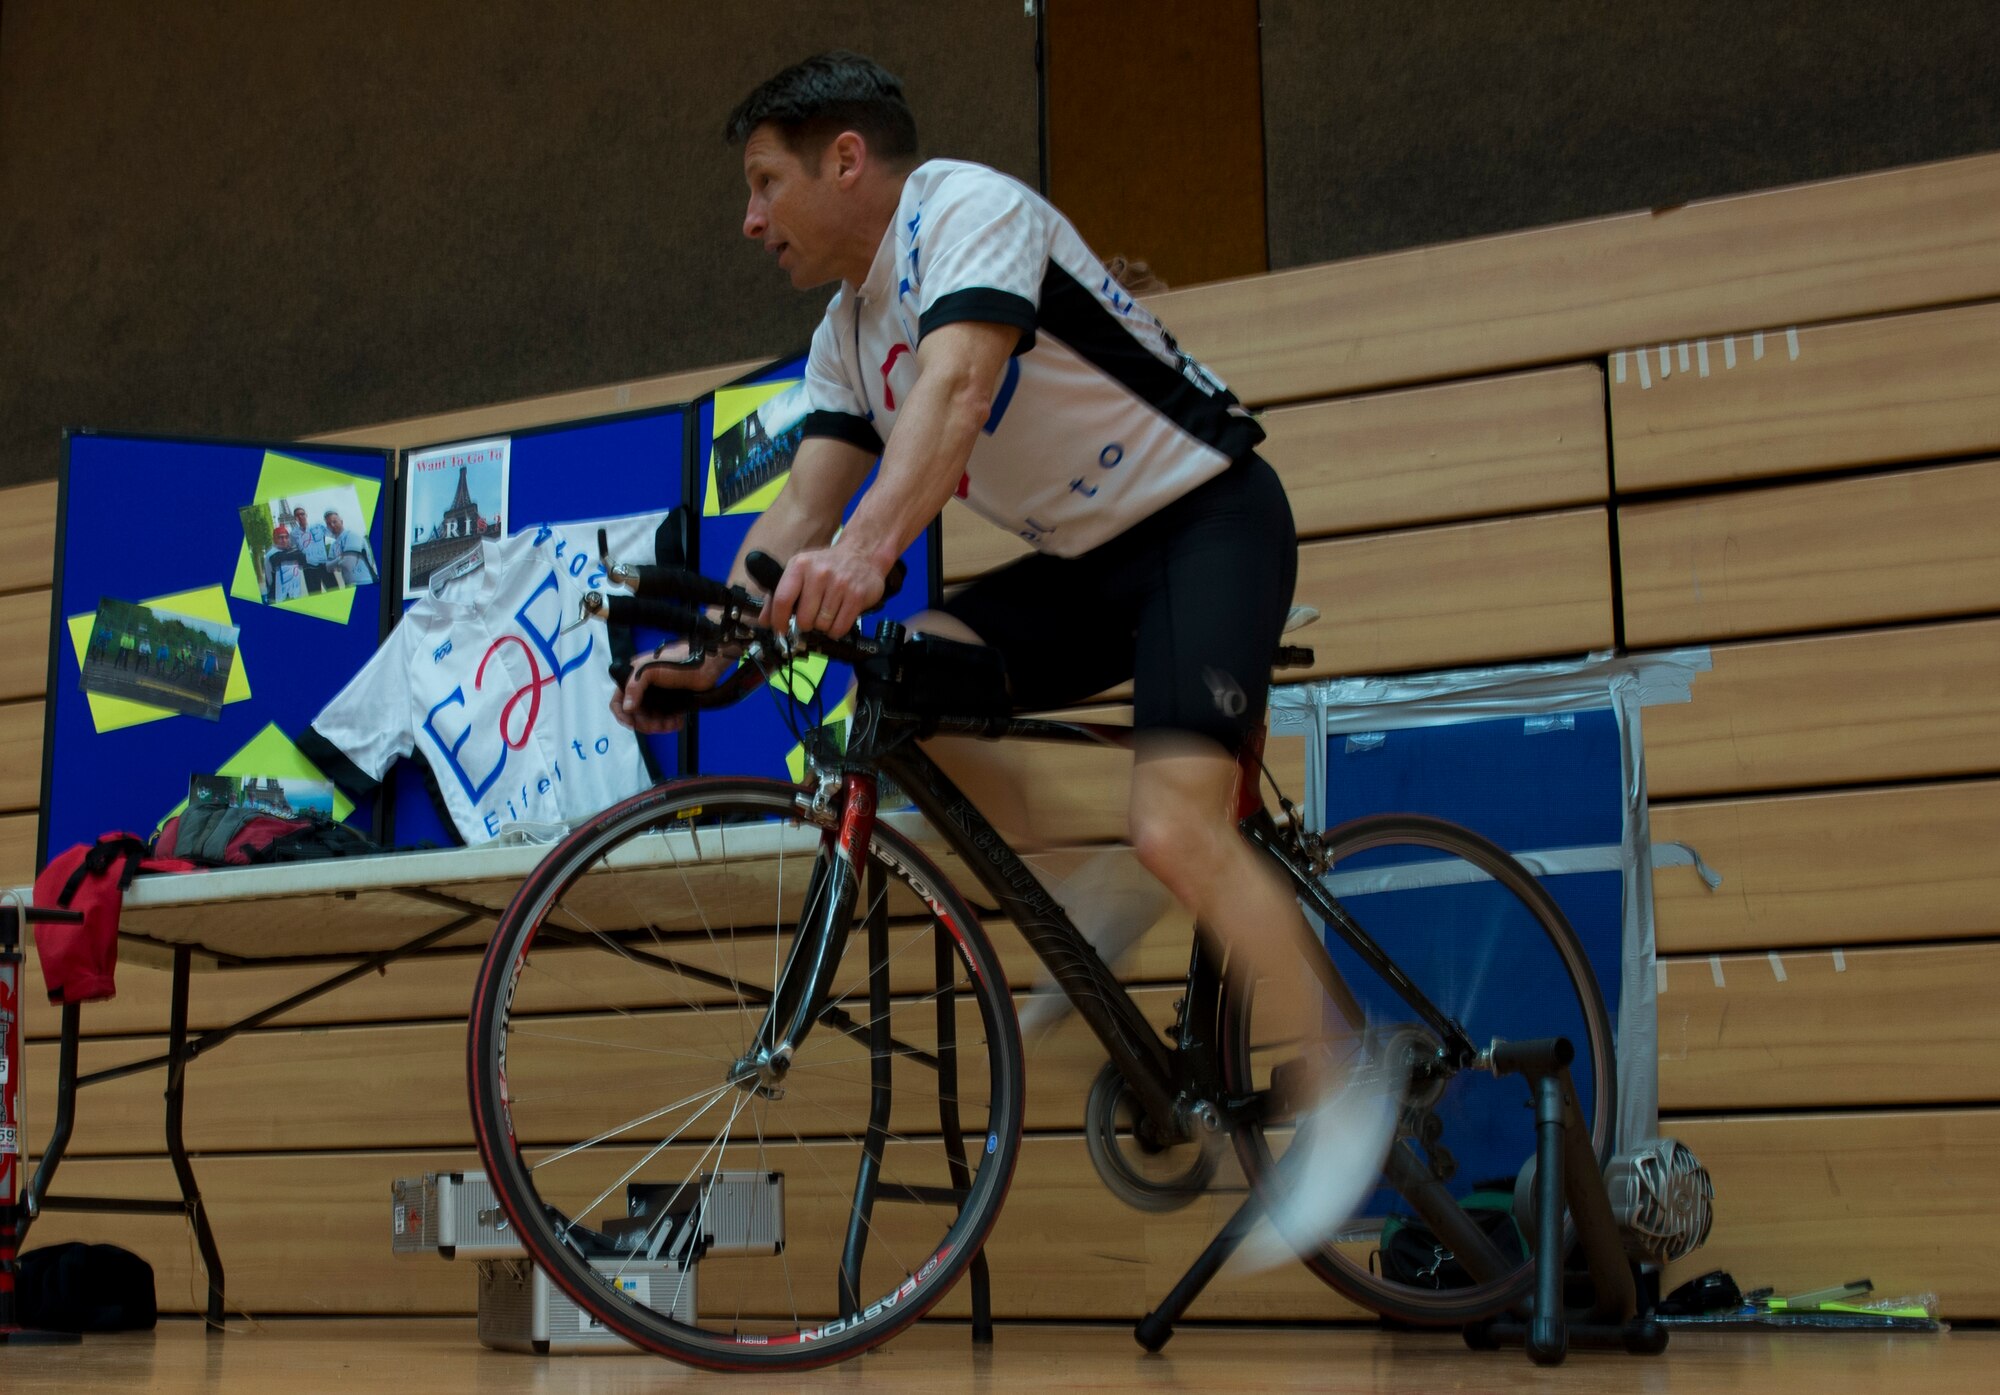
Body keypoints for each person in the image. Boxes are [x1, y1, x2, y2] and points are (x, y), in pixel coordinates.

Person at [612, 52, 1396, 1266]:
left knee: (1178, 823)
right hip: (1090, 567)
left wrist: (869, 555)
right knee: (907, 672)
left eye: (765, 183)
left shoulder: (967, 208)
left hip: (1206, 519)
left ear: (846, 159)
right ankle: (1082, 879)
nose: (749, 219)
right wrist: (710, 650)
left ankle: (1346, 1086)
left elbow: (959, 389)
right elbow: (792, 521)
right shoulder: (840, 334)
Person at [325, 509, 377, 586]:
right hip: (349, 585)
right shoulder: (334, 545)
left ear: (341, 521)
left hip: (365, 581)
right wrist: (340, 559)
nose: (332, 525)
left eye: (334, 521)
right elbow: (328, 567)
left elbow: (348, 564)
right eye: (329, 524)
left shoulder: (352, 535)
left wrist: (337, 563)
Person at [292, 506, 335, 592]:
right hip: (309, 568)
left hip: (324, 564)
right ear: (295, 518)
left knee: (335, 591)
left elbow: (332, 536)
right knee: (315, 595)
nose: (300, 516)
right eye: (297, 515)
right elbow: (293, 550)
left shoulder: (318, 526)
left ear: (306, 515)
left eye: (302, 514)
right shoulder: (293, 534)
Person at [265, 524, 308, 602]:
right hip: (278, 595)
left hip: (294, 593)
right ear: (274, 539)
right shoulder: (270, 555)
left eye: (286, 537)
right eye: (280, 537)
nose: (284, 540)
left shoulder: (293, 552)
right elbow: (269, 578)